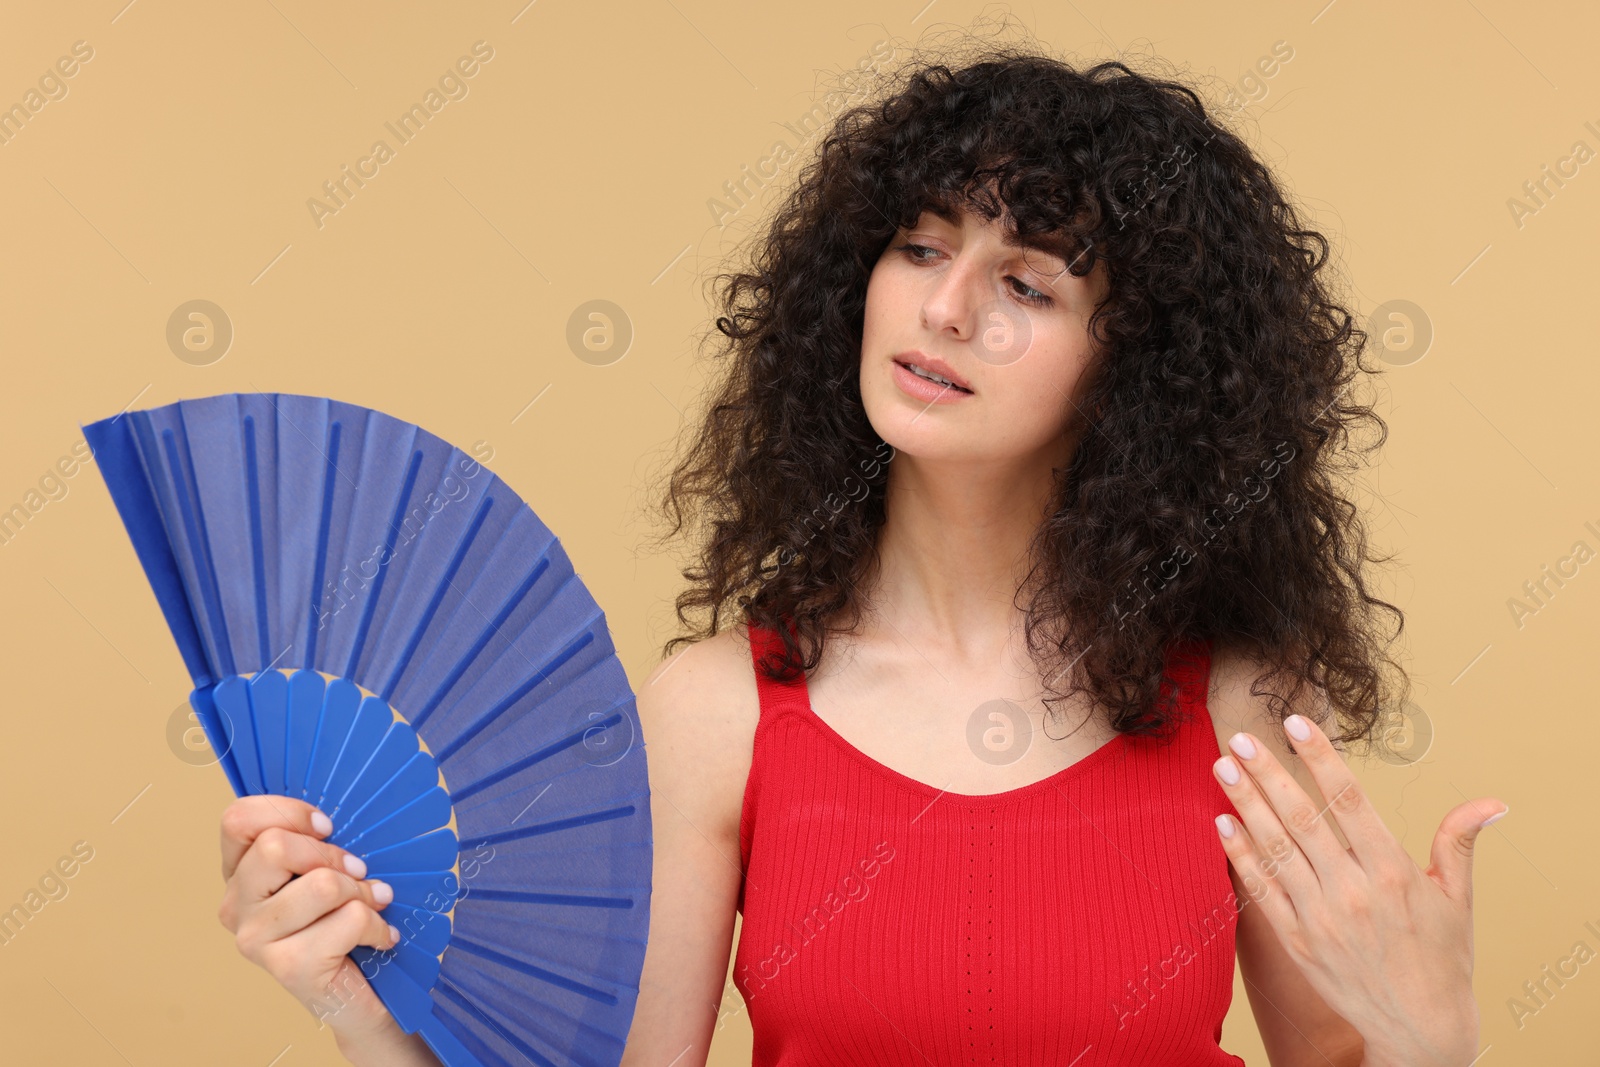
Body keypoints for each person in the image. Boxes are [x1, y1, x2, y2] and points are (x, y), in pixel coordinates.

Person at [214, 37, 1505, 1067]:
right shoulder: (722, 712)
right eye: (923, 245)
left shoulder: (1236, 710)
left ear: (1140, 373)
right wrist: (356, 1013)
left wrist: (1431, 1046)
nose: (944, 307)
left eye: (1029, 284)